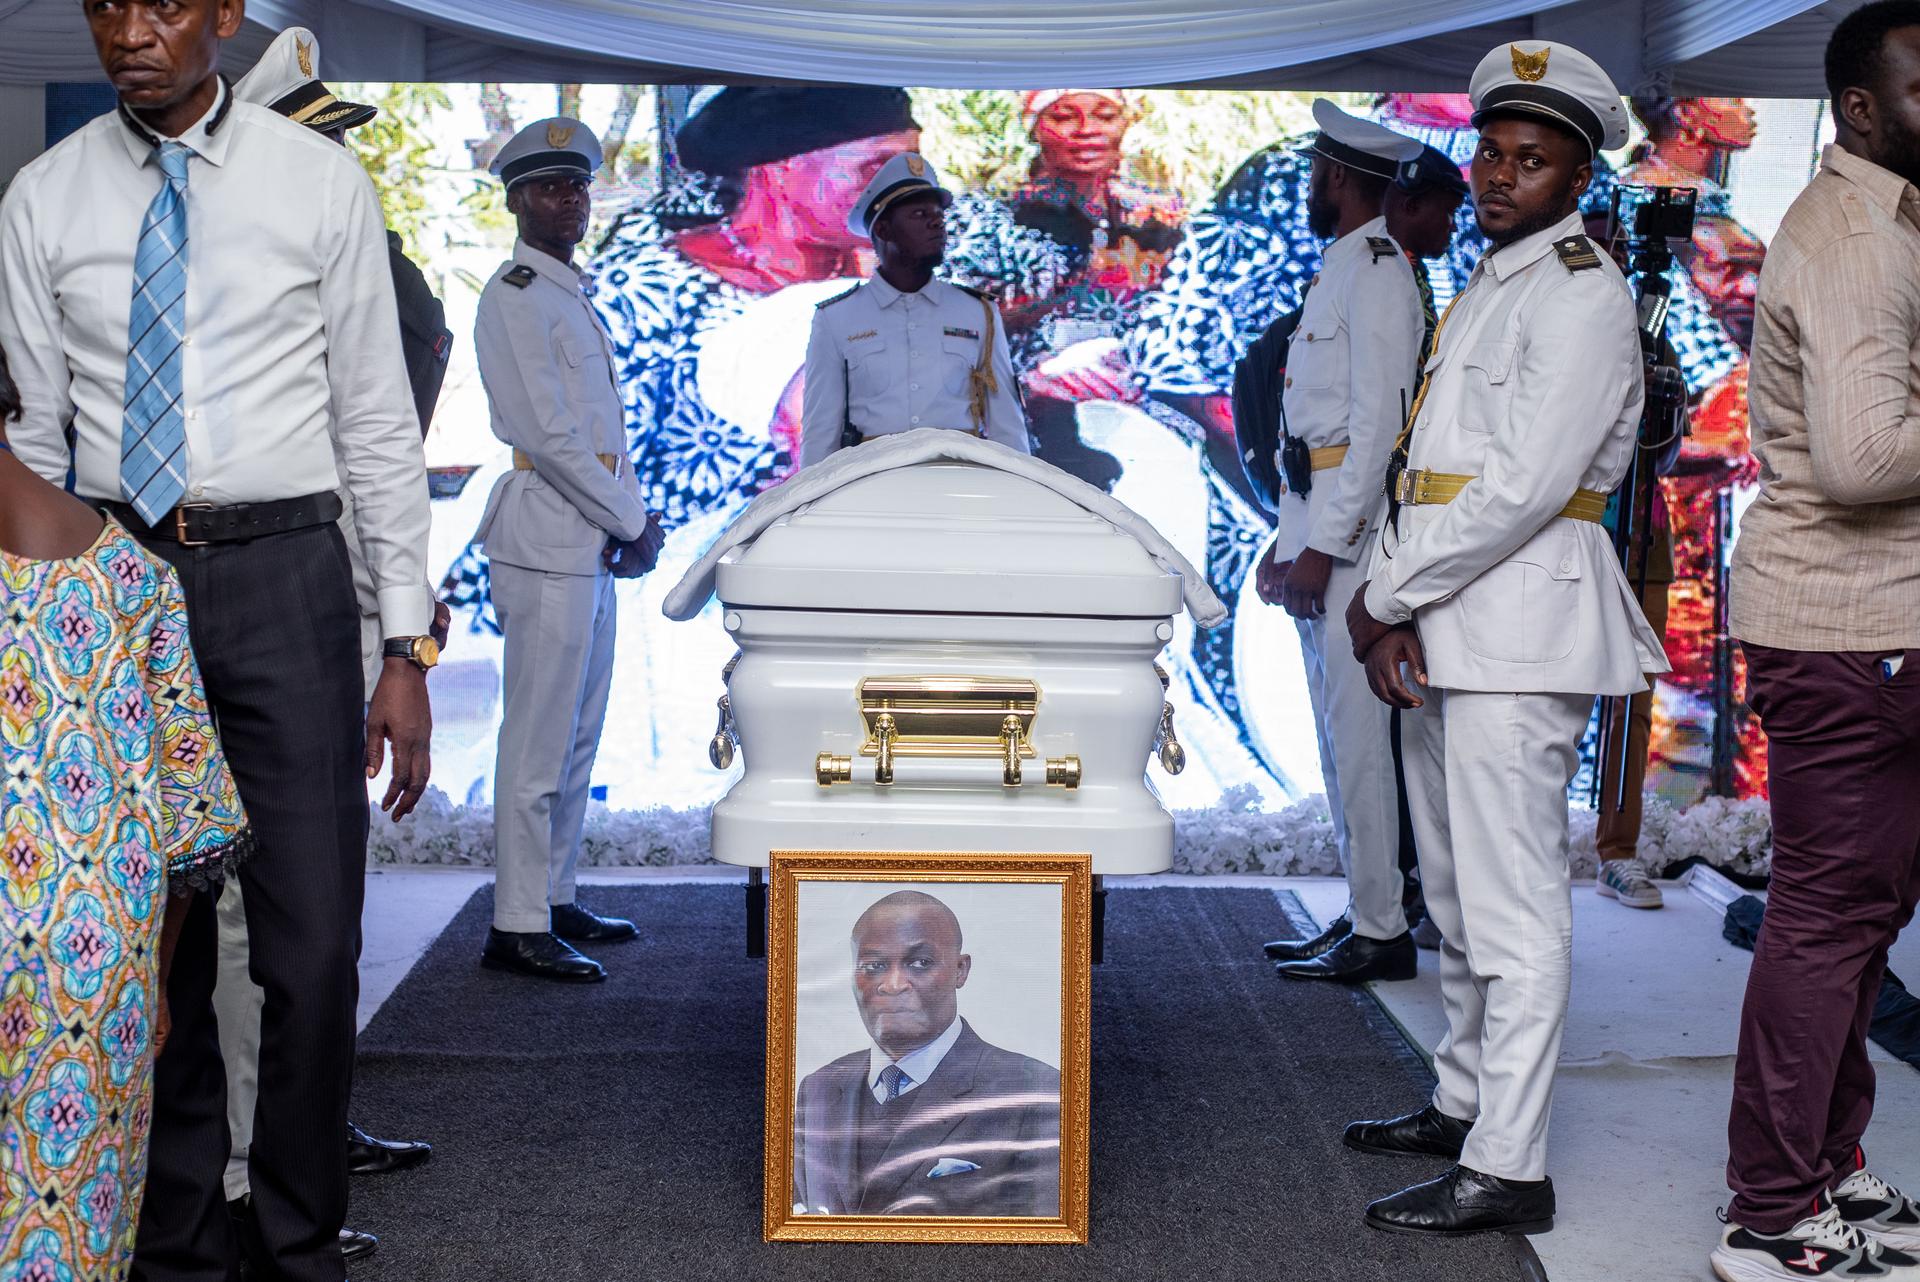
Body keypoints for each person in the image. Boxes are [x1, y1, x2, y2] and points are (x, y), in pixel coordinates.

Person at [0, 1, 435, 1276]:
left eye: (164, 2)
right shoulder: (43, 196)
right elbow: (28, 444)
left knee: (312, 943)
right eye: (105, 5)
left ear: (227, 15)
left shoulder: (318, 184)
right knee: (148, 940)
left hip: (286, 578)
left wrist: (401, 645)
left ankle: (296, 1235)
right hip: (109, 585)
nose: (131, 31)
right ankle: (177, 1240)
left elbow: (376, 425)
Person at [1339, 40, 1668, 1235]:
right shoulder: (1494, 280)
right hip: (1454, 616)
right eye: (1491, 152)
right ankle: (1466, 1102)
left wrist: (1384, 597)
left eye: (1533, 161)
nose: (1498, 175)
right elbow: (1423, 478)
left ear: (1578, 178)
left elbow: (1522, 487)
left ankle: (1510, 1164)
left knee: (1516, 909)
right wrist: (1399, 604)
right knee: (1467, 904)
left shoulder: (1581, 291)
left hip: (1521, 623)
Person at [224, 27, 441, 1267]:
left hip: (348, 601)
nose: (337, 168)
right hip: (284, 603)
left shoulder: (335, 255)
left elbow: (377, 449)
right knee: (260, 920)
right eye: (319, 144)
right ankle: (251, 1171)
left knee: (318, 914)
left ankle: (300, 1137)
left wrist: (404, 614)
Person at [1713, 5, 1920, 1278]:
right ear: (1858, 106)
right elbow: (1862, 459)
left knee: (1856, 917)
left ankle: (1827, 1168)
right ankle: (1770, 1210)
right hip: (1854, 634)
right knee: (1828, 918)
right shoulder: (1854, 238)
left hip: (1874, 627)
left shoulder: (1886, 222)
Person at [0, 346, 254, 1280]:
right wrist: (147, 974)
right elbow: (195, 818)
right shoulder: (137, 575)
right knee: (71, 1228)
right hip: (95, 949)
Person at [473, 117, 667, 983]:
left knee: (578, 735)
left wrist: (619, 519)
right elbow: (551, 436)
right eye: (551, 187)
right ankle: (515, 922)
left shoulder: (564, 291)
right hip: (548, 528)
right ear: (515, 200)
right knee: (538, 739)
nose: (570, 200)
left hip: (582, 531)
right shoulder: (515, 292)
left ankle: (552, 897)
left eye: (579, 185)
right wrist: (631, 519)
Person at [1240, 101, 1424, 986]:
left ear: (1340, 177)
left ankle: (1384, 928)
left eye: (1317, 172)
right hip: (1318, 524)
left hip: (1354, 541)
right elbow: (1309, 439)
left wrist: (1328, 546)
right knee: (1333, 736)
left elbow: (1380, 424)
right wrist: (1291, 541)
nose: (1314, 184)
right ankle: (1365, 911)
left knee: (1358, 740)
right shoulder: (1343, 267)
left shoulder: (1379, 271)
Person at [947, 89, 1184, 489]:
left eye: (1104, 115)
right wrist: (1032, 382)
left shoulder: (1160, 222)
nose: (1086, 130)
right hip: (1018, 421)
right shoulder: (984, 221)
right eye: (1064, 116)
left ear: (1127, 123)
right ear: (1035, 127)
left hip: (1140, 418)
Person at [791, 891, 1060, 1218]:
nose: (892, 985)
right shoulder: (818, 1088)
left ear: (961, 970)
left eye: (920, 963)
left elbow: (1038, 1230)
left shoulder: (1034, 1091)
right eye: (873, 966)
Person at [800, 152, 1030, 465]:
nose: (937, 222)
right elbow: (820, 434)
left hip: (955, 489)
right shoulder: (836, 319)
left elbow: (1007, 426)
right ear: (883, 230)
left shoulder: (977, 312)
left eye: (938, 215)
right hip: (874, 492)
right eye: (919, 214)